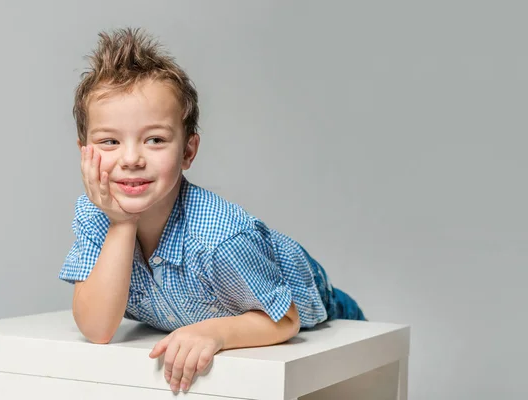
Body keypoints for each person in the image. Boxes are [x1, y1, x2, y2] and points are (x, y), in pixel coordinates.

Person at [59, 27, 365, 393]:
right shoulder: (94, 216)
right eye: (109, 142)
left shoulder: (220, 236)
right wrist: (122, 223)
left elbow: (285, 319)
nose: (131, 159)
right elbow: (97, 328)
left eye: (155, 140)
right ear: (84, 153)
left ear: (188, 151)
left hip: (309, 295)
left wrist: (214, 332)